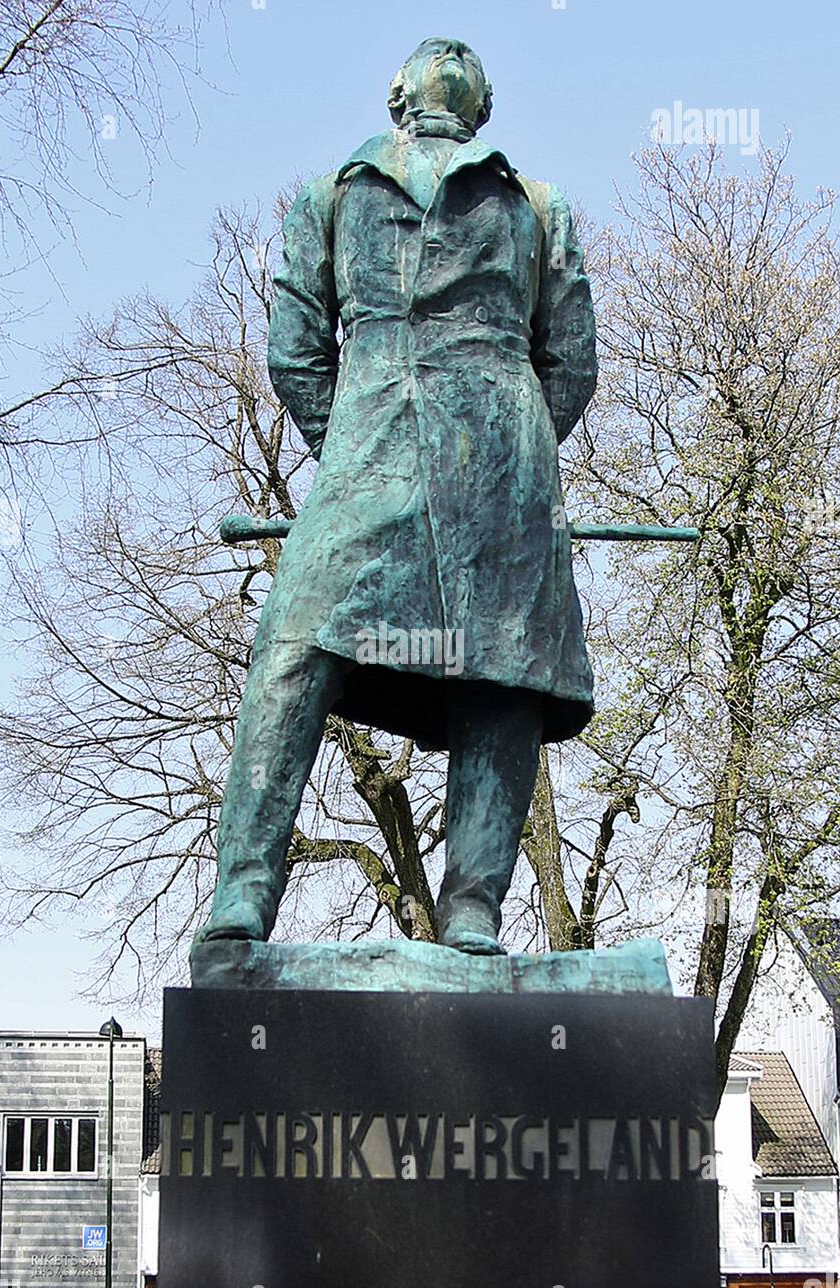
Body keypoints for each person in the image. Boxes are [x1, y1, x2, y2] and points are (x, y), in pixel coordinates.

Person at [196, 37, 597, 956]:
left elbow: (295, 347)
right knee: (498, 675)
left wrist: (352, 445)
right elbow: (570, 366)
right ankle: (469, 911)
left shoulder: (327, 194)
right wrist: (512, 458)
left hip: (377, 440)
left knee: (294, 655)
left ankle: (244, 898)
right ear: (483, 107)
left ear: (396, 98)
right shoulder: (540, 206)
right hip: (500, 456)